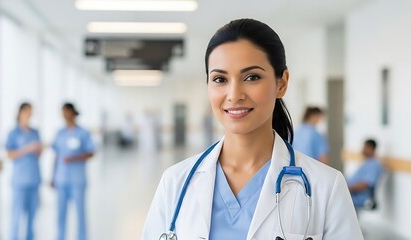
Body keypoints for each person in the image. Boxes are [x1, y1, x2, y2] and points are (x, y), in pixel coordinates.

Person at [143, 19, 363, 240]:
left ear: (282, 83)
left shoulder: (326, 186)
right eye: (220, 79)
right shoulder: (175, 182)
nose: (234, 94)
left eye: (251, 77)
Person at [52, 103, 95, 240]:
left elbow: (91, 152)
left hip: (77, 180)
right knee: (60, 214)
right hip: (61, 179)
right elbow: (57, 155)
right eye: (62, 113)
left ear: (72, 112)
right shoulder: (60, 133)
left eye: (66, 112)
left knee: (80, 213)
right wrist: (52, 176)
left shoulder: (83, 133)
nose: (64, 116)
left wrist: (74, 158)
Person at [5, 102, 42, 240]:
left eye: (31, 112)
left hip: (34, 179)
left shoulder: (35, 132)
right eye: (27, 112)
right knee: (16, 215)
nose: (29, 115)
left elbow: (39, 154)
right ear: (20, 113)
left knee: (32, 216)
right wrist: (27, 148)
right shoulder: (13, 133)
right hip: (19, 181)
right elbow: (10, 155)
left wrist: (38, 150)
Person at [347, 139, 384, 208]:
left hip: (360, 197)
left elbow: (365, 184)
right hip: (350, 194)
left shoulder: (374, 165)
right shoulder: (367, 162)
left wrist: (346, 189)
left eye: (365, 147)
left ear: (371, 149)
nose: (363, 150)